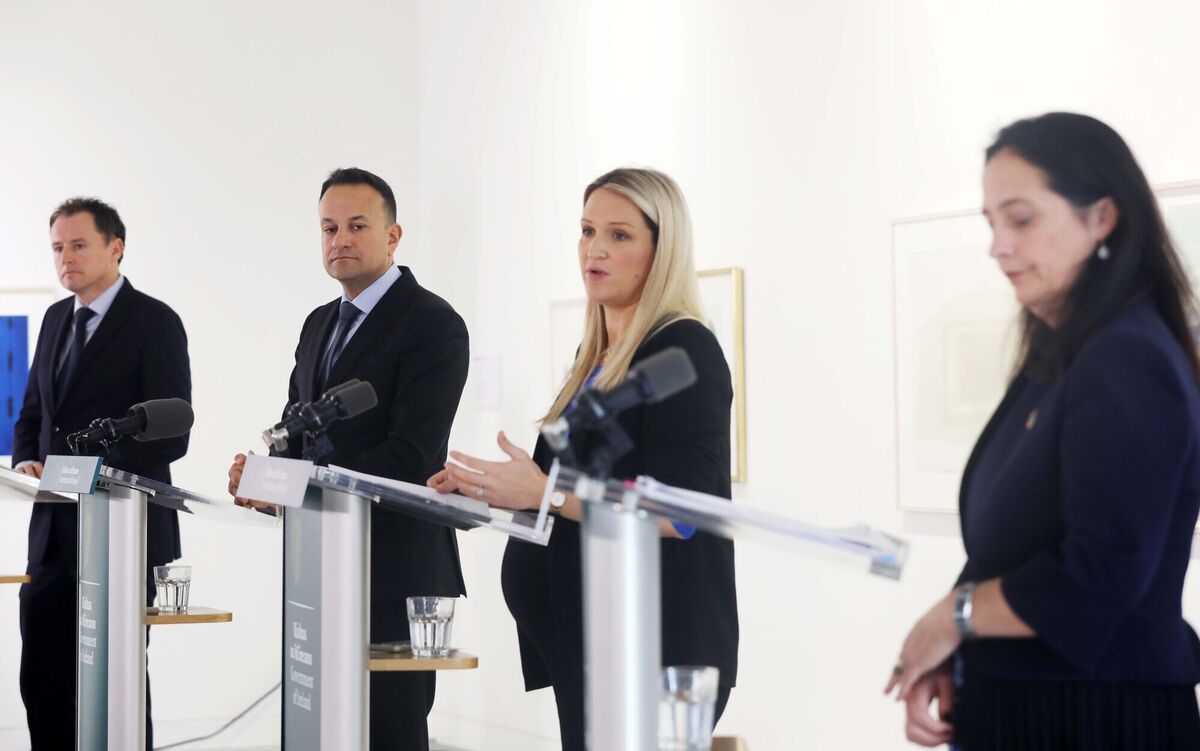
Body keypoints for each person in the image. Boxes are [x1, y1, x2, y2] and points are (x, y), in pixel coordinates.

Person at [885, 112, 1200, 750]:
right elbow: (1012, 546)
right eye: (992, 223)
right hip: (1032, 708)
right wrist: (957, 640)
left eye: (1021, 219)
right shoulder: (1061, 354)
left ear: (1102, 218)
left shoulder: (1128, 357)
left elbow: (1100, 575)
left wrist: (956, 616)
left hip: (1094, 717)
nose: (999, 245)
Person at [428, 167, 739, 750]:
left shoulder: (685, 348)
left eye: (619, 235)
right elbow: (565, 488)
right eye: (587, 230)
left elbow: (680, 512)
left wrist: (541, 493)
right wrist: (493, 491)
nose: (595, 249)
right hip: (586, 638)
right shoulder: (596, 355)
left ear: (660, 249)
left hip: (653, 641)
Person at [226, 167, 469, 751]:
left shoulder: (434, 324)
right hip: (318, 570)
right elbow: (296, 431)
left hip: (393, 573)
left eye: (358, 226)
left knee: (387, 732)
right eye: (329, 228)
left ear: (394, 235)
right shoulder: (318, 324)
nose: (340, 240)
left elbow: (410, 457)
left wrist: (295, 482)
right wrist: (264, 476)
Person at [12, 197, 191, 749]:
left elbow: (171, 432)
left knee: (115, 688)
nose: (66, 258)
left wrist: (86, 470)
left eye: (79, 245)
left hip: (121, 534)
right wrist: (27, 460)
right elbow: (35, 415)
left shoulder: (155, 322)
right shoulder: (55, 319)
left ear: (116, 247)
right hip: (51, 536)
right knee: (41, 680)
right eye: (58, 248)